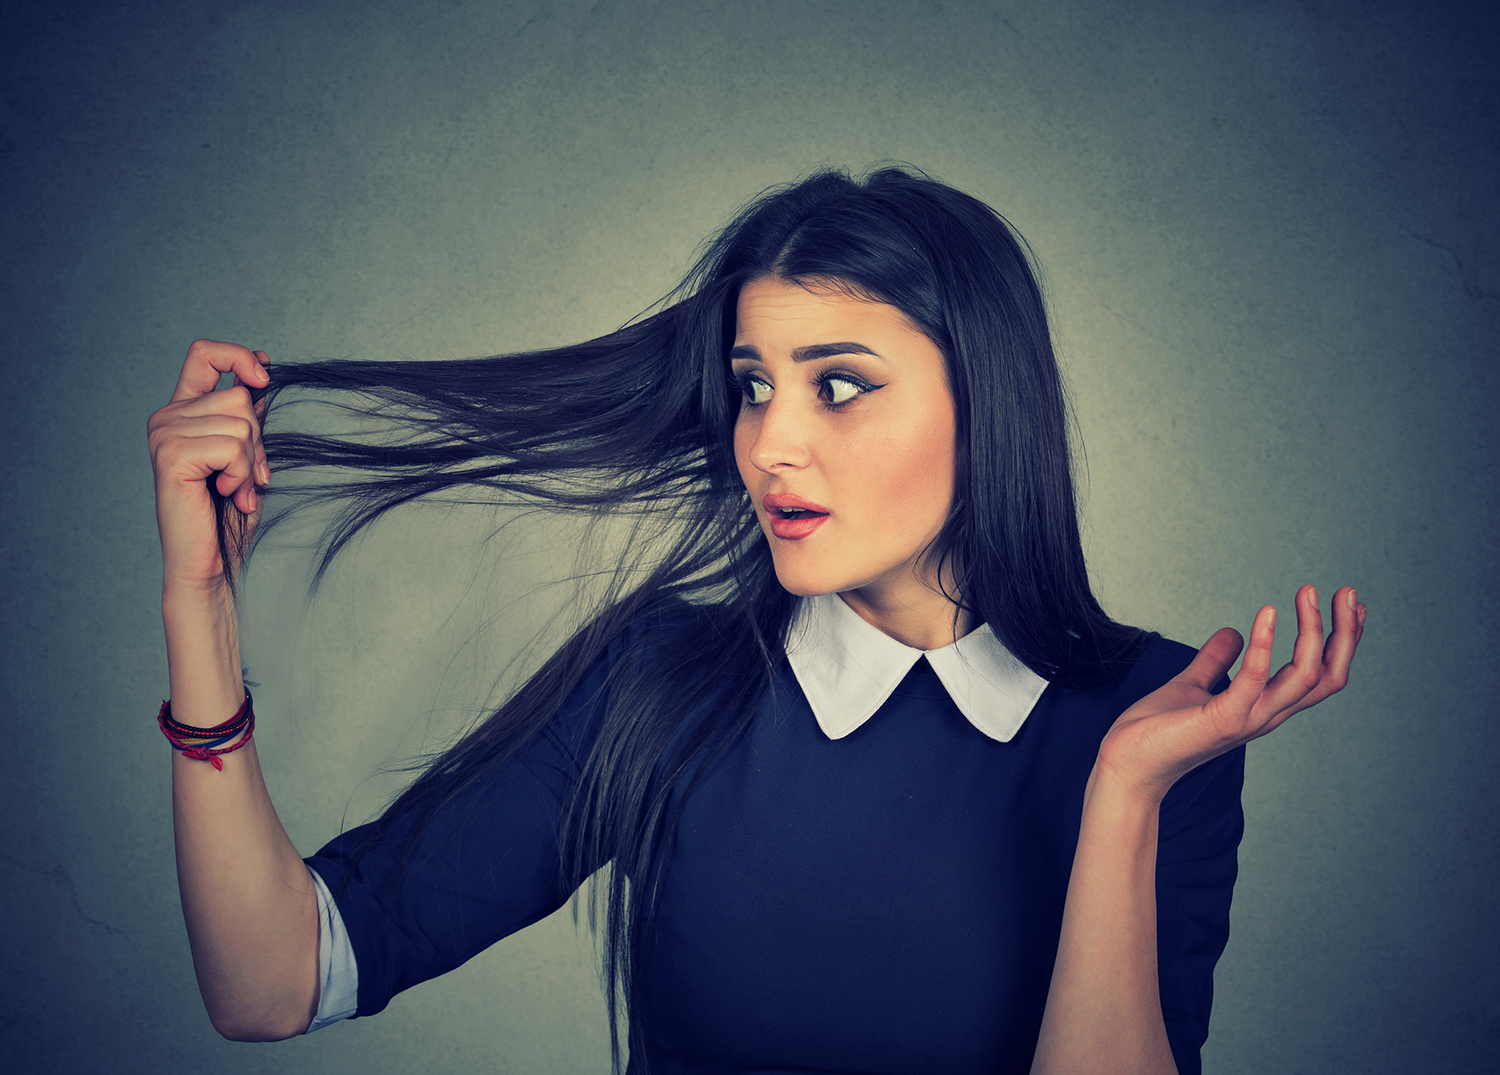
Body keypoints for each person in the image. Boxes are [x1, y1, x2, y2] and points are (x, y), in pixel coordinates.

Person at [147, 167, 1365, 1075]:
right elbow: (275, 981)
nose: (771, 443)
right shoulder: (659, 681)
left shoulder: (1158, 727)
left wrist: (1123, 796)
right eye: (753, 388)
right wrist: (197, 603)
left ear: (987, 400)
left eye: (839, 385)